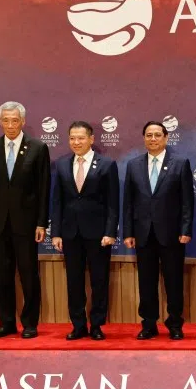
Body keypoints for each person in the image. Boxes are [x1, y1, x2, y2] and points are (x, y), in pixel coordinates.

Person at [0, 101, 51, 339]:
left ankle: (30, 324)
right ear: (0, 122)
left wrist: (42, 222)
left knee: (29, 274)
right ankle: (6, 322)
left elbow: (43, 189)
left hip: (27, 224)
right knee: (3, 275)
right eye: (6, 120)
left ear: (22, 121)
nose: (10, 125)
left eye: (15, 120)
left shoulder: (38, 148)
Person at [123, 121, 193, 340]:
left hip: (172, 233)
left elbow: (187, 201)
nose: (153, 139)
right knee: (146, 281)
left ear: (166, 138)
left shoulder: (180, 163)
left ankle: (174, 323)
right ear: (144, 138)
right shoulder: (133, 165)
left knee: (173, 280)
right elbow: (129, 202)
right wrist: (128, 232)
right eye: (149, 135)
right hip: (143, 233)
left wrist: (185, 228)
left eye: (157, 135)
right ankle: (149, 323)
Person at [50, 121, 119, 341]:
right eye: (72, 138)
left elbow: (113, 203)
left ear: (91, 139)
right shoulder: (61, 165)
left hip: (99, 234)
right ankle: (78, 325)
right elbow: (57, 201)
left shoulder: (107, 164)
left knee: (99, 281)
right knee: (74, 281)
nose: (76, 142)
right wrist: (57, 233)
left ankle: (97, 325)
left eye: (80, 138)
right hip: (70, 233)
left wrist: (110, 232)